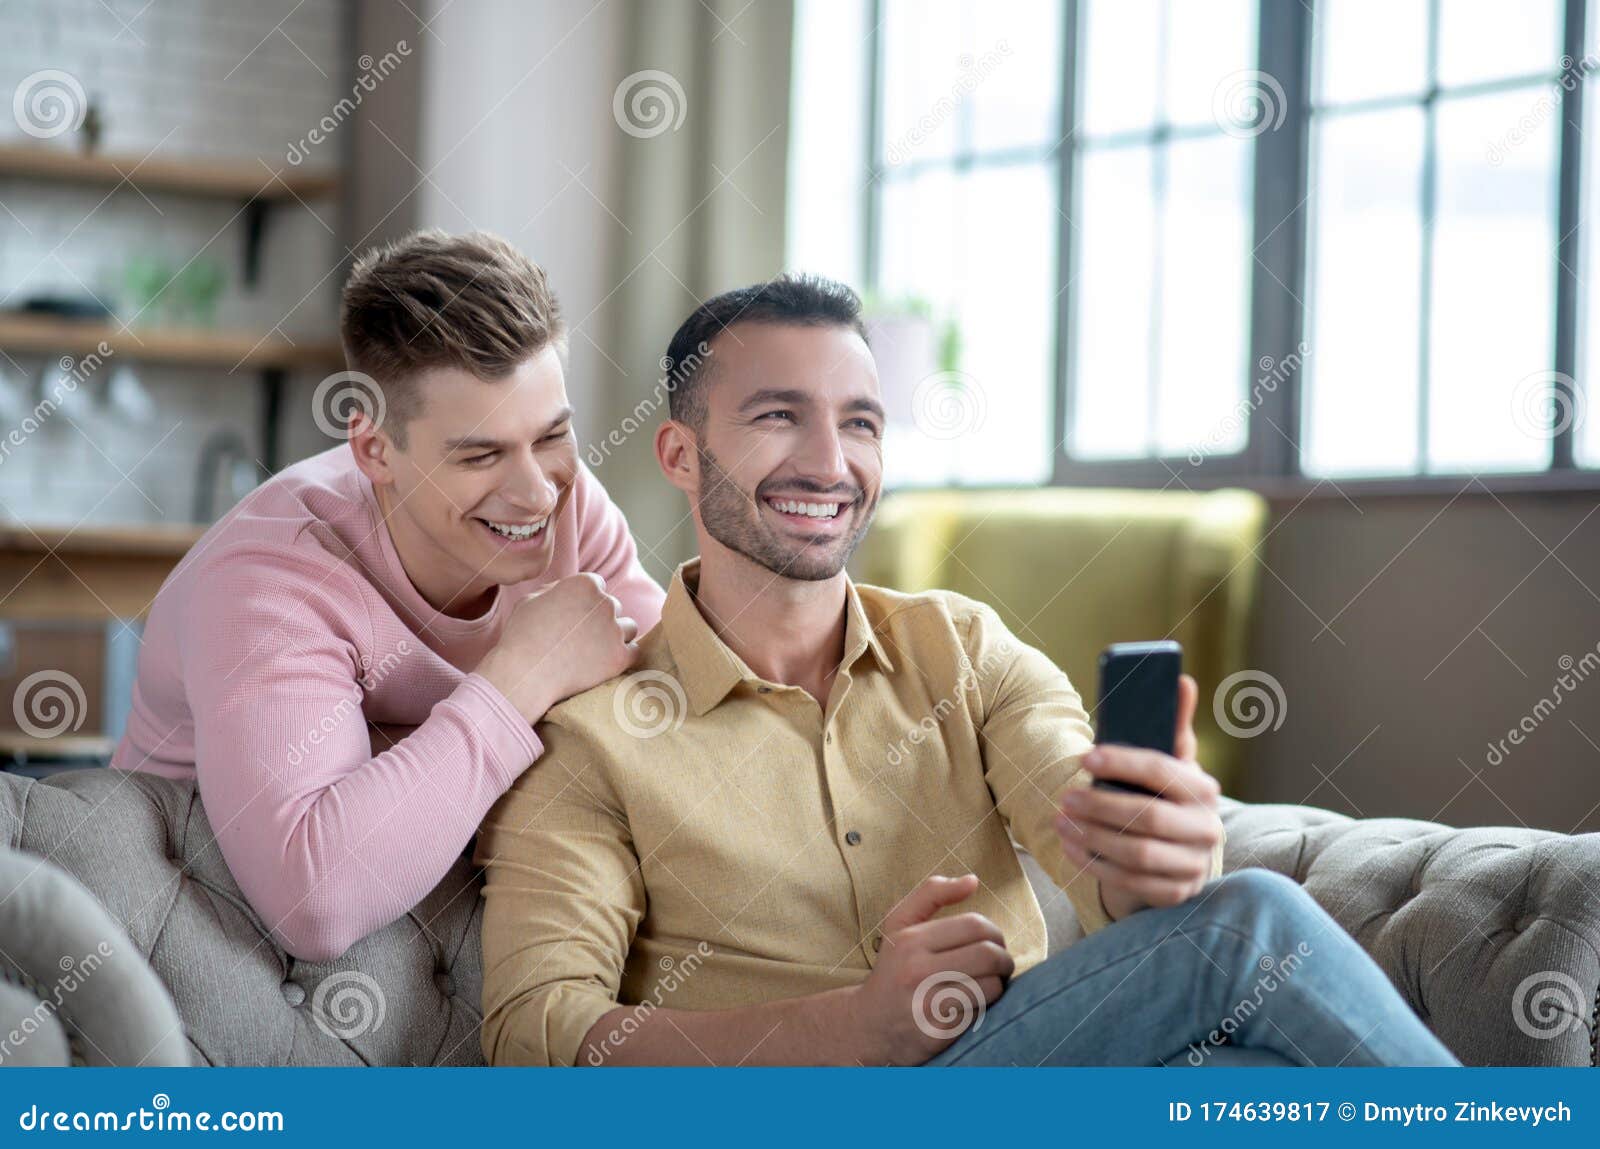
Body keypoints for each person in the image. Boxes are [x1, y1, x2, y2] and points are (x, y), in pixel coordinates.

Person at [474, 274, 1457, 1067]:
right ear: (680, 455)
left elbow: (1091, 838)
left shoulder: (964, 648)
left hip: (1013, 1065)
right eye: (779, 416)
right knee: (1250, 927)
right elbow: (535, 1030)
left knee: (1254, 1058)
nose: (830, 461)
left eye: (860, 422)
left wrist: (1153, 852)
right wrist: (846, 1029)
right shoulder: (592, 738)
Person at [114, 230, 663, 961]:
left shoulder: (564, 501)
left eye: (552, 436)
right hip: (208, 957)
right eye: (482, 454)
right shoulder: (268, 580)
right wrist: (525, 674)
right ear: (374, 448)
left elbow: (673, 717)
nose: (535, 490)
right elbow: (317, 899)